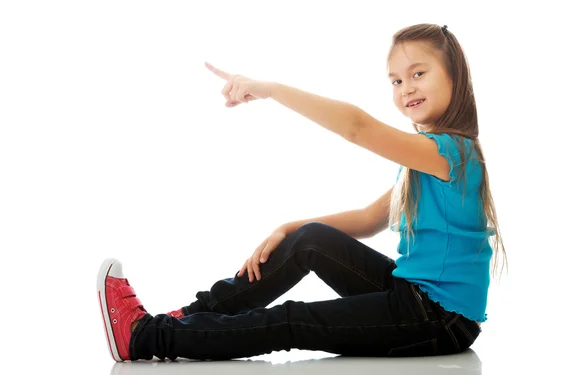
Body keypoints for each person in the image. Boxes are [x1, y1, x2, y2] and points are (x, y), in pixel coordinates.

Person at [97, 23, 507, 362]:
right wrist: (288, 227)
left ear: (455, 76)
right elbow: (367, 219)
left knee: (293, 320)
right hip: (414, 297)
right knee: (311, 238)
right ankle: (191, 316)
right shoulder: (426, 160)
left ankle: (146, 336)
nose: (405, 88)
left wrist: (271, 89)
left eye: (419, 73)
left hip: (439, 318)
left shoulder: (453, 153)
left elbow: (357, 127)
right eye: (396, 80)